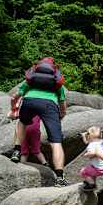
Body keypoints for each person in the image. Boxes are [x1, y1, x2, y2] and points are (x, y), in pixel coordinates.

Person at [10, 57, 69, 187]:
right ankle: (60, 177)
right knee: (56, 142)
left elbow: (15, 96)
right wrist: (62, 114)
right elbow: (62, 103)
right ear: (54, 69)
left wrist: (13, 108)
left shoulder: (32, 79)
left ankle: (17, 151)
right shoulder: (56, 82)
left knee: (22, 122)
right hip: (49, 105)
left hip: (29, 101)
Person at [80, 126, 103, 191]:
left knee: (83, 172)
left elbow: (92, 154)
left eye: (87, 134)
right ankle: (91, 181)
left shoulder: (91, 145)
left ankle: (92, 185)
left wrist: (86, 155)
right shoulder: (102, 141)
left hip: (99, 169)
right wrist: (84, 136)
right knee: (91, 168)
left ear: (89, 136)